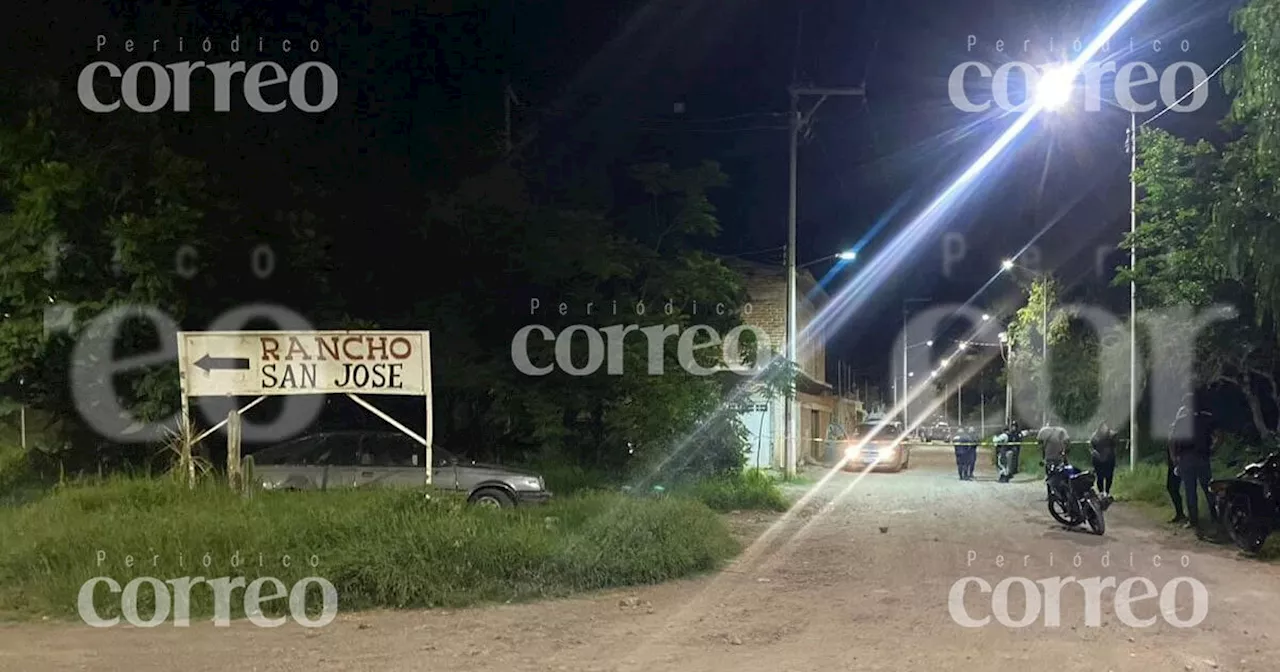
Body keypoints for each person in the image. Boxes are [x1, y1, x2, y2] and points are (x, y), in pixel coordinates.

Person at [1169, 392, 1217, 534]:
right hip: (1202, 457)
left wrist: (1174, 458)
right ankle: (1216, 516)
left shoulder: (1181, 421)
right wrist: (1213, 450)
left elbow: (1172, 441)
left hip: (1186, 458)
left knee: (1190, 490)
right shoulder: (1207, 418)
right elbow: (1220, 436)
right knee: (1209, 488)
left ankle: (1193, 520)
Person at [1090, 422, 1117, 498]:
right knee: (1100, 476)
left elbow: (1114, 445)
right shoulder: (1095, 436)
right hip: (1099, 459)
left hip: (1109, 459)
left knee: (1109, 476)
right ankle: (1102, 493)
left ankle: (1107, 492)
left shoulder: (1111, 435)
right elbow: (1092, 447)